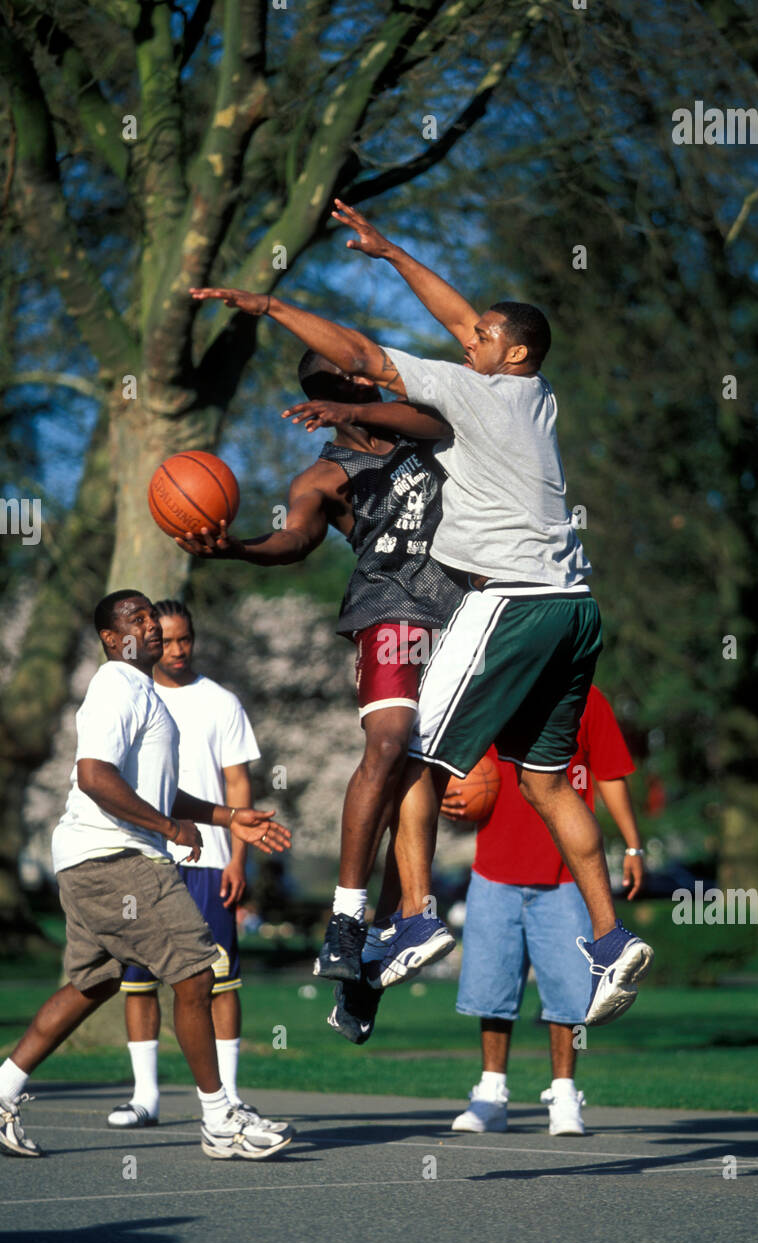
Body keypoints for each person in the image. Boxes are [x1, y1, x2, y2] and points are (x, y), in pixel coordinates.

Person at [188, 198, 654, 1028]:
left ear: (503, 354)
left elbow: (367, 354)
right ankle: (612, 940)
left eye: (479, 340)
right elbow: (464, 322)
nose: (463, 340)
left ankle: (399, 920)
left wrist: (269, 306)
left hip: (510, 602)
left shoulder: (469, 398)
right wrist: (392, 252)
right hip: (576, 608)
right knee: (545, 783)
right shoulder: (532, 393)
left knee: (409, 756)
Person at [177, 350, 466, 1025]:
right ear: (334, 387)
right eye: (358, 370)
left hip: (463, 615)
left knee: (422, 774)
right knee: (391, 746)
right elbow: (296, 536)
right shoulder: (324, 474)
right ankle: (345, 920)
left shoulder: (424, 426)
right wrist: (240, 548)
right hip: (389, 612)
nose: (374, 370)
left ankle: (376, 958)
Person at [0, 592, 293, 1161]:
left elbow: (155, 789)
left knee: (96, 983)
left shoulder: (144, 692)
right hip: (116, 858)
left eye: (150, 616)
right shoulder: (115, 685)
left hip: (94, 858)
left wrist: (230, 817)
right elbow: (93, 777)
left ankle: (2, 1089)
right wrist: (168, 828)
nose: (151, 626)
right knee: (195, 971)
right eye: (136, 619)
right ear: (111, 639)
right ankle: (219, 1118)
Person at [441, 686, 644, 1135]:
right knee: (491, 993)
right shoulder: (494, 693)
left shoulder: (586, 698)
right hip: (494, 870)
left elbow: (610, 772)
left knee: (571, 995)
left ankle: (565, 1095)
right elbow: (457, 767)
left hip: (568, 875)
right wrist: (451, 797)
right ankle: (490, 1094)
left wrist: (632, 843)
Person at [107, 599, 263, 1129]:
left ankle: (232, 1096)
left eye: (184, 640)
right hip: (145, 858)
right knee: (139, 978)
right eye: (166, 640)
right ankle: (145, 1095)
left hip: (211, 860)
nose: (175, 649)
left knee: (217, 982)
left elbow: (239, 786)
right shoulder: (132, 695)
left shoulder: (221, 702)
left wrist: (239, 859)